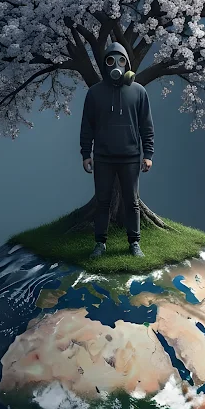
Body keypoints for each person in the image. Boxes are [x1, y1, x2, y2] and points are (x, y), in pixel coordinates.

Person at [80, 42, 154, 258]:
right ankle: (100, 243)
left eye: (121, 61)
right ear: (105, 65)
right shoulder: (95, 93)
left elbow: (146, 125)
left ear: (127, 64)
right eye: (111, 60)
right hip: (103, 158)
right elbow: (87, 125)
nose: (116, 65)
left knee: (132, 202)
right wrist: (86, 153)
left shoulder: (139, 92)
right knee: (102, 202)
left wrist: (148, 154)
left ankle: (134, 243)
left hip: (131, 158)